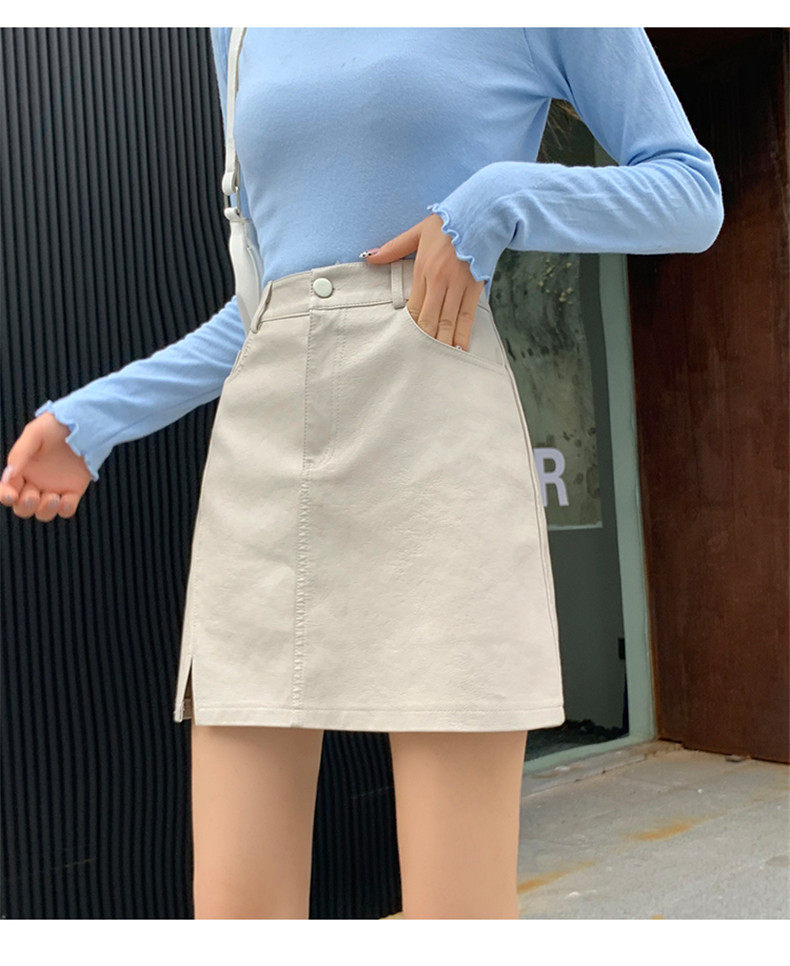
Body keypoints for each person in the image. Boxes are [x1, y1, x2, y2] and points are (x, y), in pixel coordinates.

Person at [0, 28, 723, 919]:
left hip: (436, 434)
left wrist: (500, 198)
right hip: (264, 448)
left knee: (456, 919)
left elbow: (690, 194)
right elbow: (267, 303)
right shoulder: (238, 29)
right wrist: (97, 416)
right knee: (236, 919)